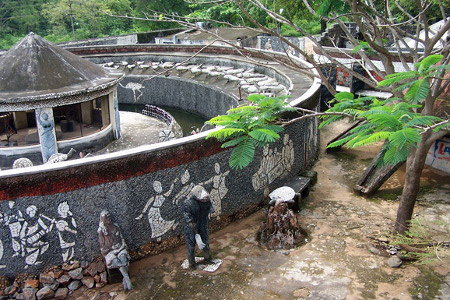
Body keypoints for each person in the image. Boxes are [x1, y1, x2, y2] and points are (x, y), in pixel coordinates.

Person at [98, 210, 133, 290]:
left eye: (109, 217)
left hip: (120, 248)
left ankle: (125, 280)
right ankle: (127, 279)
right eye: (106, 218)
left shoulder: (115, 226)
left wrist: (122, 246)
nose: (108, 219)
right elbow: (102, 247)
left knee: (124, 259)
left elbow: (121, 238)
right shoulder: (101, 231)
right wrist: (110, 248)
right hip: (110, 252)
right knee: (116, 262)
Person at [182, 185, 213, 269]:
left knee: (205, 241)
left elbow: (209, 210)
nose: (205, 200)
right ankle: (192, 264)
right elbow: (188, 219)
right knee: (191, 245)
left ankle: (207, 258)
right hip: (192, 226)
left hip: (203, 222)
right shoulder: (188, 203)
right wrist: (195, 233)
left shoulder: (207, 201)